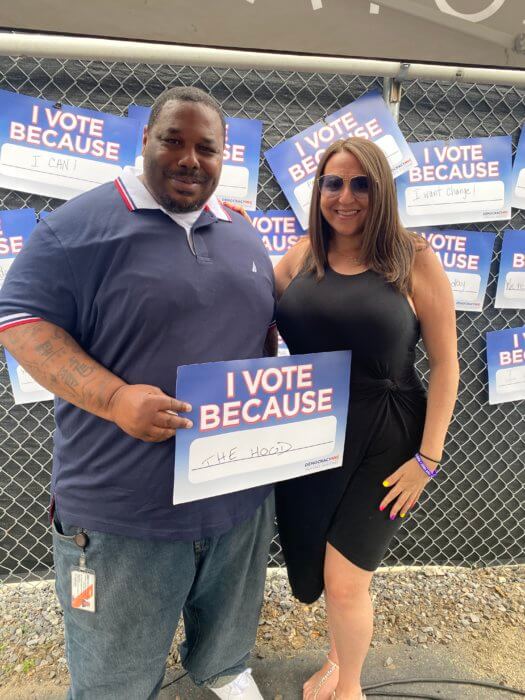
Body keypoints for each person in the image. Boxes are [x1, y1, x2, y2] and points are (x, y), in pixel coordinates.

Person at [0, 86, 277, 700]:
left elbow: (262, 332)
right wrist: (114, 399)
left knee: (227, 633)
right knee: (115, 677)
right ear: (144, 141)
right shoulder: (79, 227)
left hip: (235, 496)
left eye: (206, 147)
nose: (189, 159)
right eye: (172, 140)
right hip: (126, 507)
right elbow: (19, 322)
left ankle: (224, 670)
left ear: (224, 156)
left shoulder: (244, 233)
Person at [273, 137, 459, 700]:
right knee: (316, 570)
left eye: (361, 183)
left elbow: (447, 366)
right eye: (333, 182)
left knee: (347, 580)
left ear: (381, 190)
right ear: (318, 190)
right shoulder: (302, 256)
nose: (346, 196)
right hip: (310, 434)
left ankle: (349, 686)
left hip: (387, 436)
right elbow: (254, 314)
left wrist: (427, 461)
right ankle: (335, 658)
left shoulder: (413, 257)